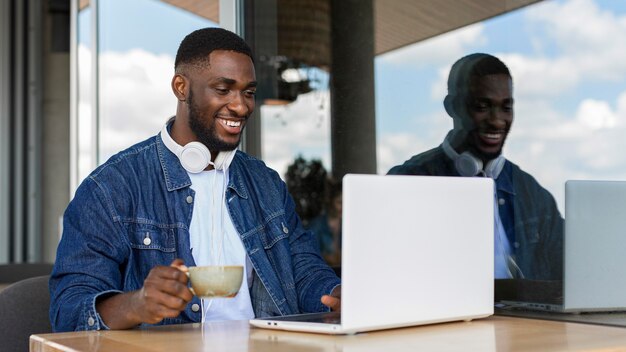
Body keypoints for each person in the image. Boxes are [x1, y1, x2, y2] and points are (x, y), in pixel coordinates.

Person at [49, 27, 340, 332]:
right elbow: (69, 310)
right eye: (223, 89)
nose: (241, 106)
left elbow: (305, 272)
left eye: (249, 92)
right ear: (181, 87)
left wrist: (337, 295)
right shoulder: (111, 187)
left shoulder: (266, 184)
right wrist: (137, 304)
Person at [388, 53, 563, 281]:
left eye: (505, 108)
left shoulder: (534, 195)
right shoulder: (406, 181)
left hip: (522, 316)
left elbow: (571, 274)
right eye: (482, 106)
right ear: (452, 107)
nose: (497, 120)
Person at [306, 177, 342, 267]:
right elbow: (307, 257)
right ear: (329, 201)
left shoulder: (349, 226)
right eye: (339, 202)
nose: (344, 207)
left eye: (347, 202)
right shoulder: (315, 226)